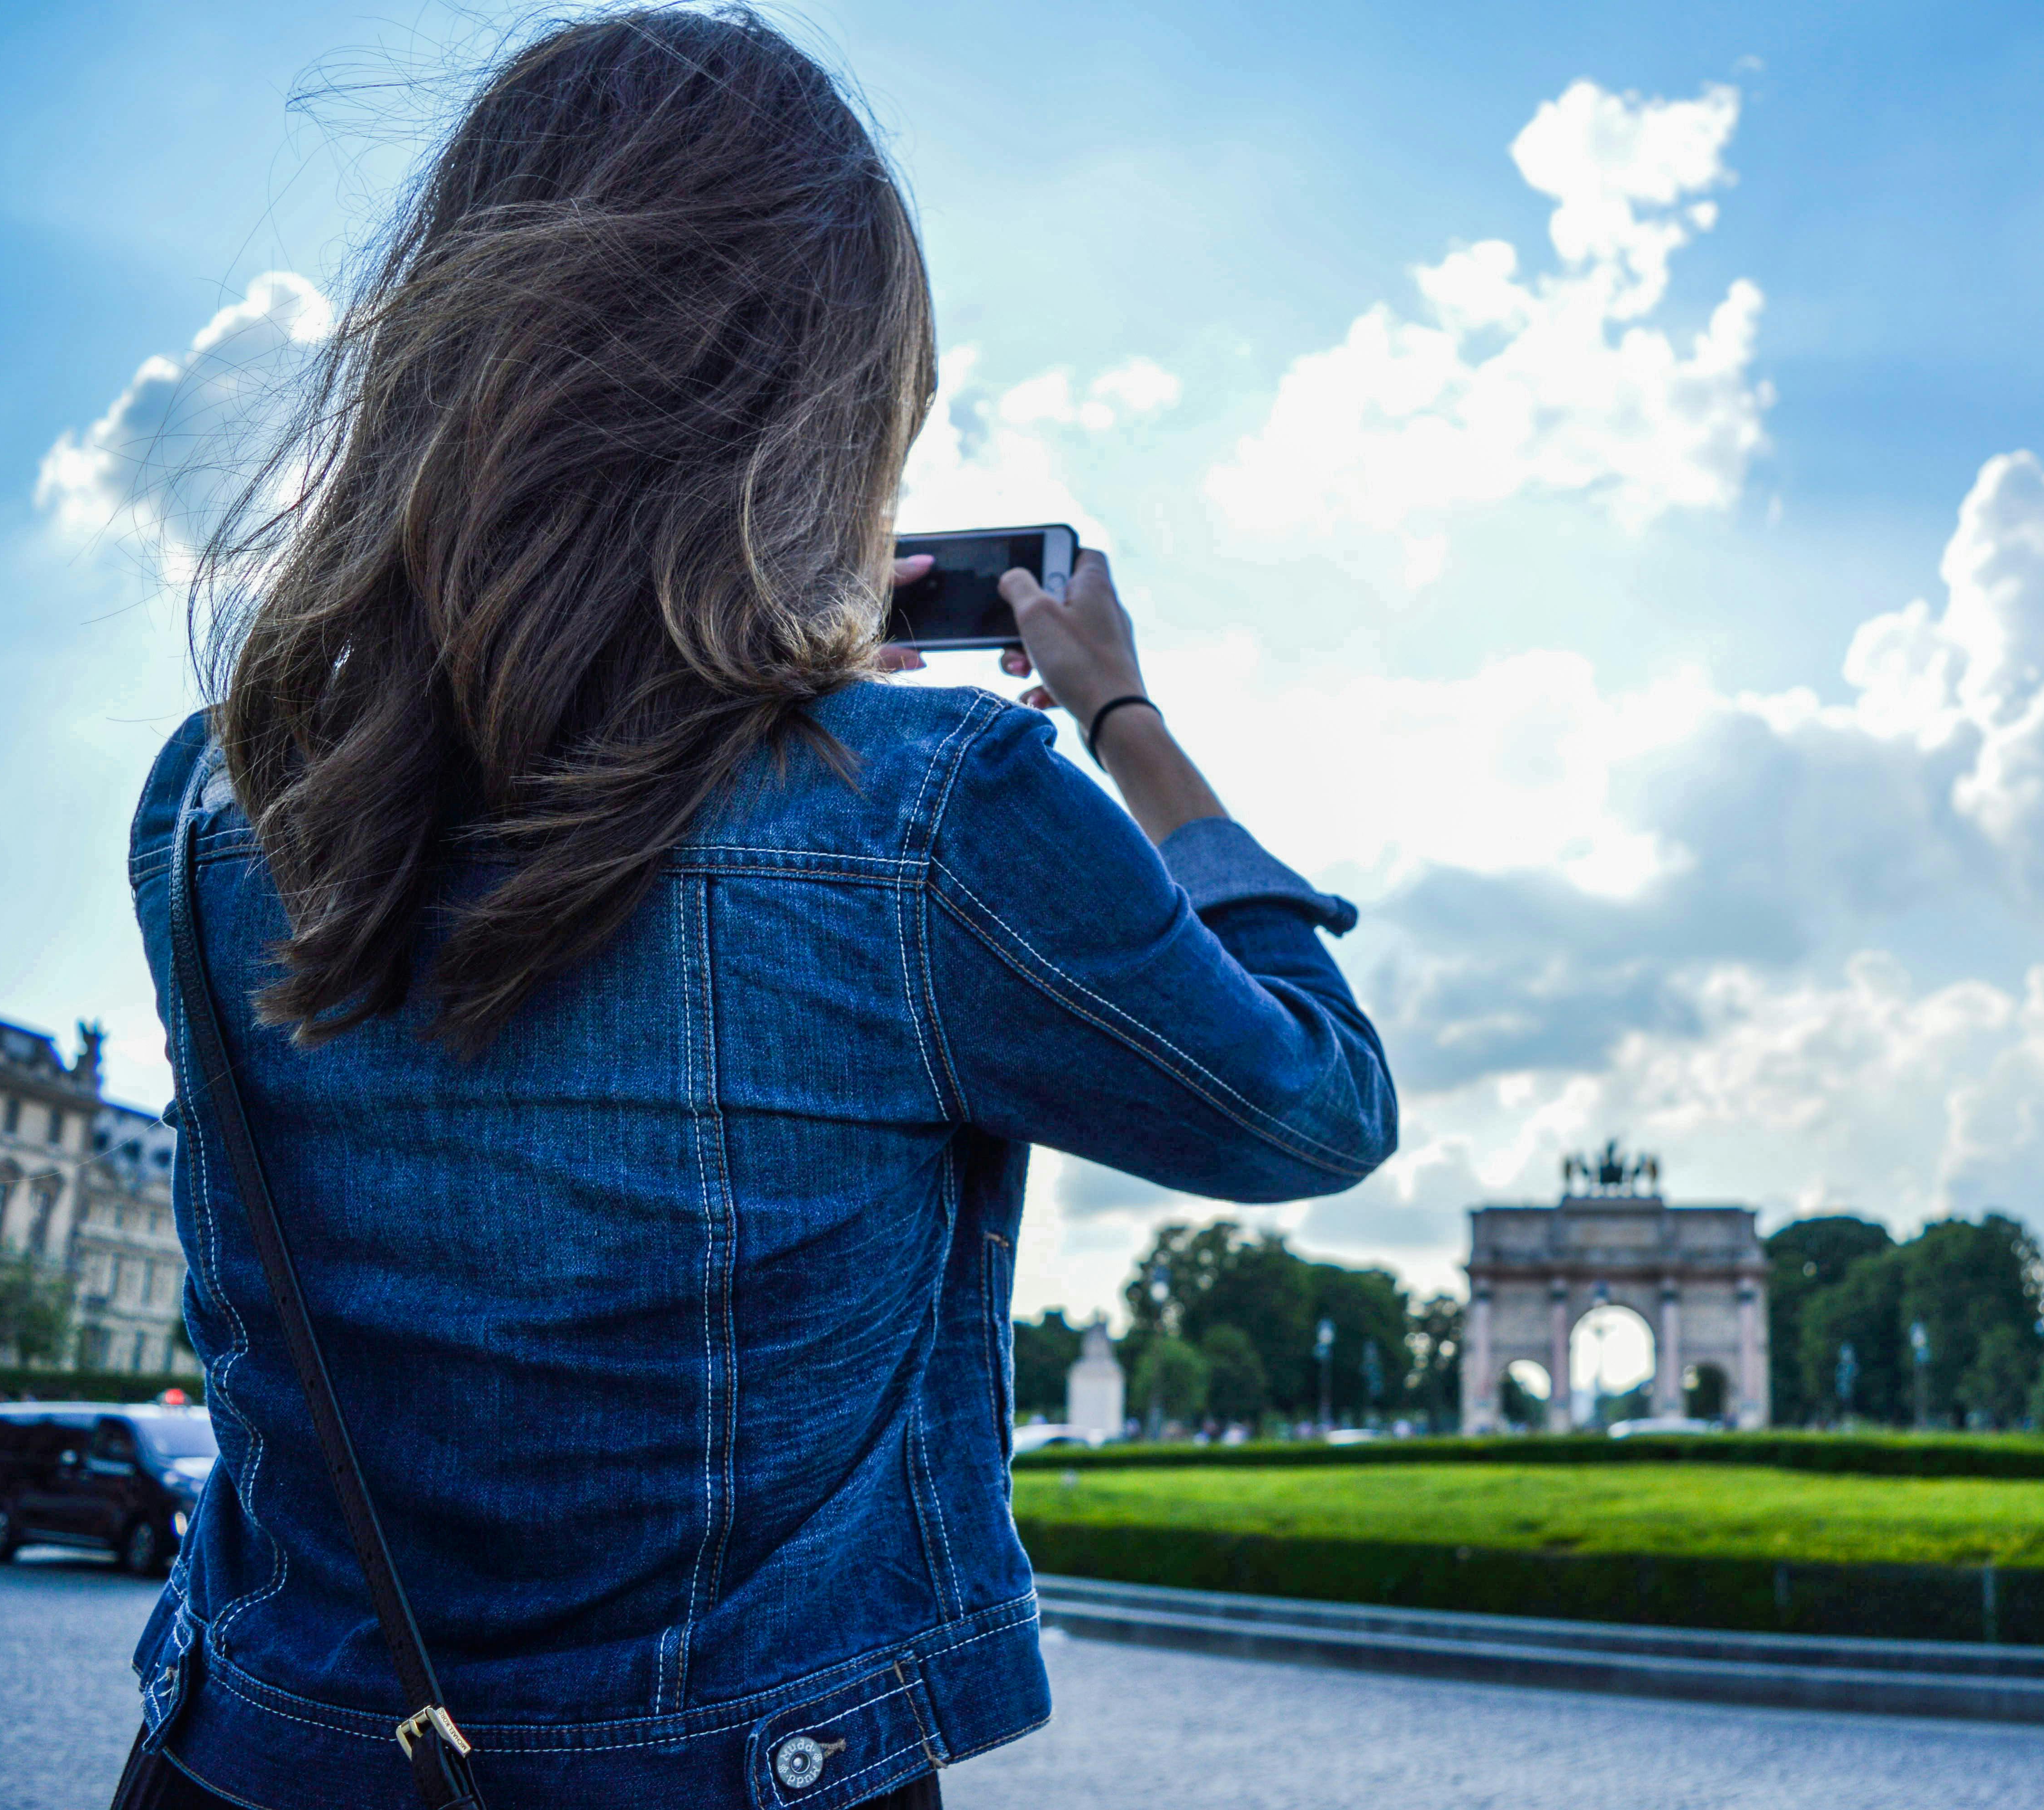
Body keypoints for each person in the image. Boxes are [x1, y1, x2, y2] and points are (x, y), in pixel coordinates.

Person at [116, 11, 1394, 1807]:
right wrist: (1124, 721)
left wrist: (747, 692)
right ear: (833, 412)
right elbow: (1316, 1107)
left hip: (272, 1756)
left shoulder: (214, 798)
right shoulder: (939, 810)